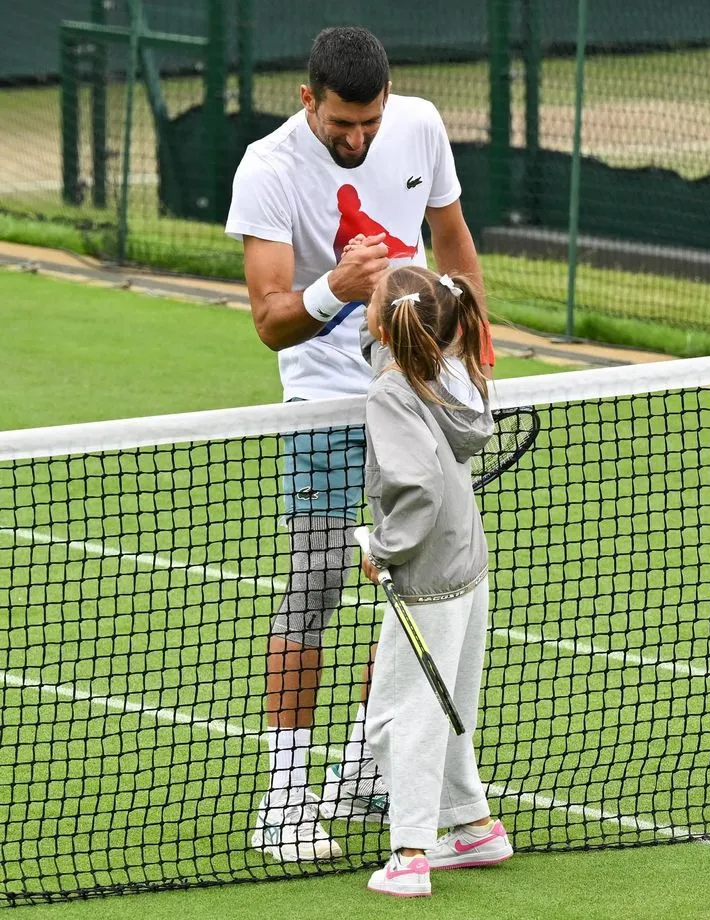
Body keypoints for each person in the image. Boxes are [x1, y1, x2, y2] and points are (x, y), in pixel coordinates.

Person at [225, 25, 494, 863]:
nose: (359, 139)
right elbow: (271, 320)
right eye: (343, 124)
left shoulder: (417, 125)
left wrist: (474, 360)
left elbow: (453, 245)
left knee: (420, 584)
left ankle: (364, 769)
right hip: (324, 398)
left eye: (369, 124)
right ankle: (286, 799)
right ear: (308, 99)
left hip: (417, 381)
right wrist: (333, 289)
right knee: (317, 580)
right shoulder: (267, 169)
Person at [359, 265, 513, 897]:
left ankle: (411, 853)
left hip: (426, 570)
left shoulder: (391, 391)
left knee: (402, 715)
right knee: (448, 707)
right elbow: (392, 345)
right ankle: (473, 826)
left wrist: (384, 548)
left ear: (391, 325)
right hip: (466, 561)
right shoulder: (447, 371)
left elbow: (417, 483)